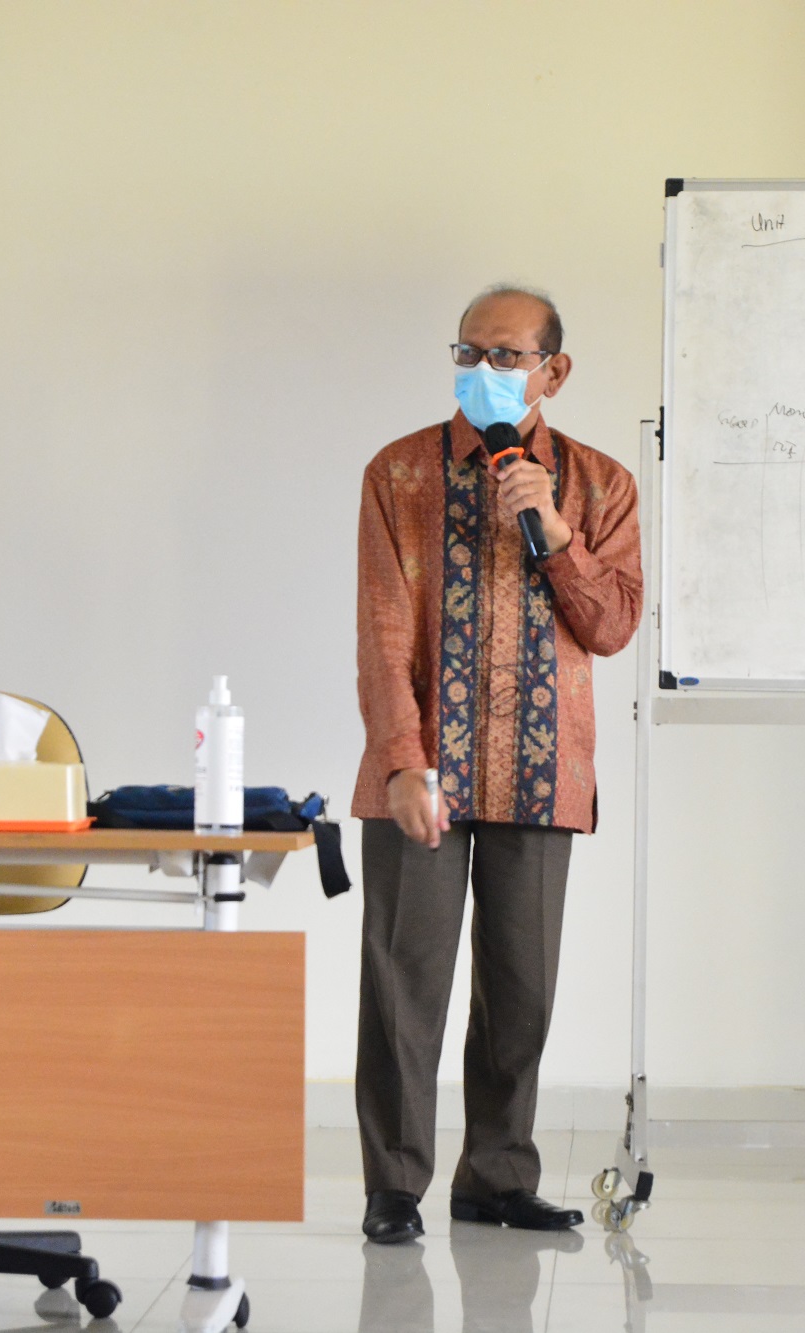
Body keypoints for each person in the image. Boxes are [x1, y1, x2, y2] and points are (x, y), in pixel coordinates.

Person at [351, 285, 643, 1243]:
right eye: (469, 353)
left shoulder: (600, 483)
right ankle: (394, 1186)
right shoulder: (399, 473)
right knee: (404, 984)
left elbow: (613, 626)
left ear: (554, 371)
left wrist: (554, 534)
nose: (484, 371)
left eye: (507, 356)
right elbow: (383, 632)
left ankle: (497, 1178)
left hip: (541, 769)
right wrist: (401, 761)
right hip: (424, 771)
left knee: (522, 988)